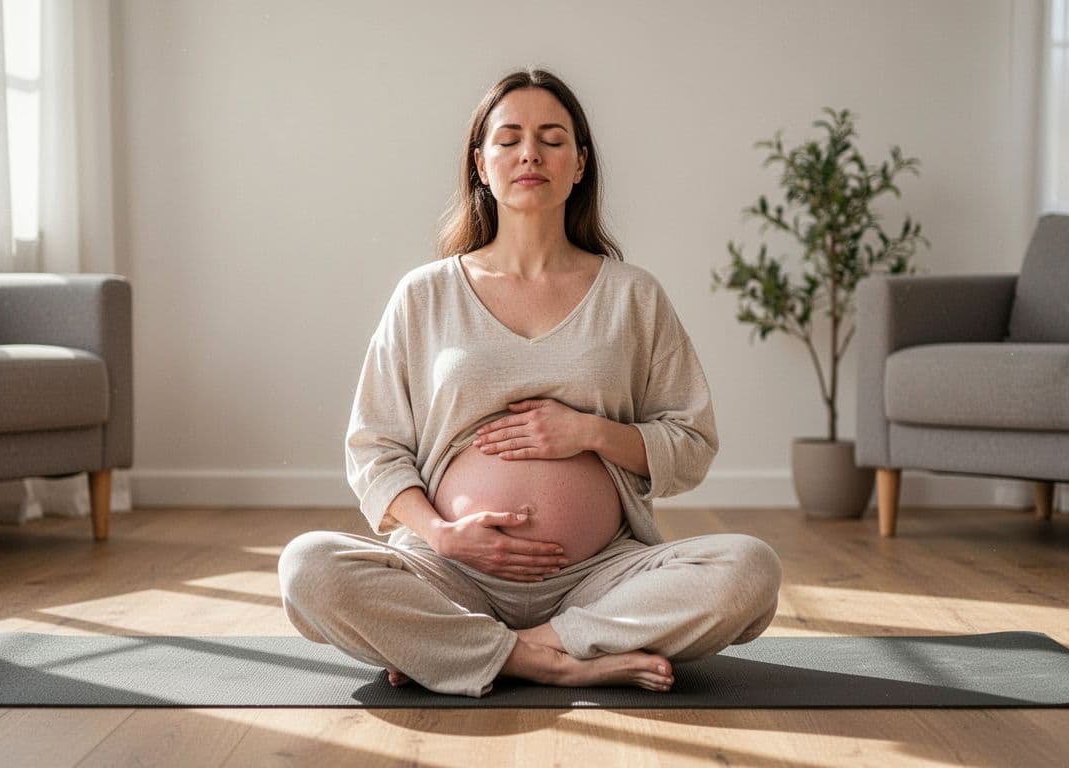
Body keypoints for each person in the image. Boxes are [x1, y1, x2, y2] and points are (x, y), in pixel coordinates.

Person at [278, 68, 781, 697]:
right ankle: (558, 658)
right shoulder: (425, 294)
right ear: (481, 165)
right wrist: (442, 534)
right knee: (308, 567)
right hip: (448, 572)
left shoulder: (633, 295)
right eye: (510, 138)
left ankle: (479, 649)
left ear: (579, 165)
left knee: (749, 570)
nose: (530, 154)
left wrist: (590, 432)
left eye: (551, 138)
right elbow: (373, 448)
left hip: (601, 576)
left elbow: (692, 443)